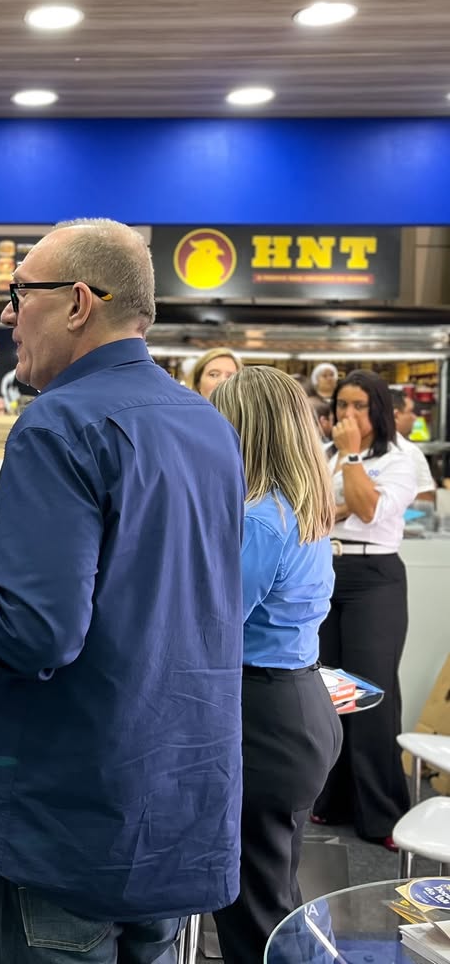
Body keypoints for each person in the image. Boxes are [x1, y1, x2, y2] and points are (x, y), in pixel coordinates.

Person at [0, 219, 246, 964]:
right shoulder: (207, 426)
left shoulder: (58, 426)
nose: (6, 314)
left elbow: (36, 631)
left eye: (18, 294)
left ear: (77, 303)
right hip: (177, 808)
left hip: (65, 821)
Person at [208, 367, 343, 964]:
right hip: (297, 706)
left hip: (264, 716)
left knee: (254, 914)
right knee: (278, 900)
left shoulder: (260, 520)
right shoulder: (299, 509)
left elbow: (210, 627)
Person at [313, 369, 416, 847]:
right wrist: (346, 502)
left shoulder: (401, 456)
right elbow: (316, 507)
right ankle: (333, 800)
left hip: (374, 577)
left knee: (372, 693)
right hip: (326, 569)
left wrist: (352, 457)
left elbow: (369, 509)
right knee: (330, 690)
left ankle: (382, 814)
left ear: (379, 409)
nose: (348, 415)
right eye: (342, 406)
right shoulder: (324, 453)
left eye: (359, 406)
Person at [391, 389, 436, 502]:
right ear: (396, 416)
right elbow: (425, 501)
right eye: (410, 412)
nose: (415, 418)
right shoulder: (409, 451)